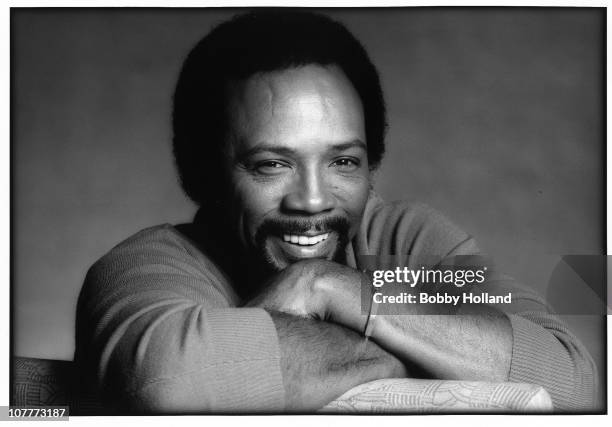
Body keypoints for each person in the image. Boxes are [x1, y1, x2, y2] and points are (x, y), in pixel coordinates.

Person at [73, 10, 596, 414]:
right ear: (203, 174)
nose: (314, 199)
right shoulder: (147, 267)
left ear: (372, 166)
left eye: (343, 161)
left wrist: (329, 286)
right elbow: (168, 383)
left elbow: (571, 384)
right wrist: (417, 352)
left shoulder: (405, 241)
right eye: (271, 164)